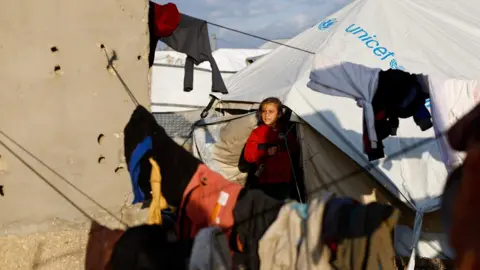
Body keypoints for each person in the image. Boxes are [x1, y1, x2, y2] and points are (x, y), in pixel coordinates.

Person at [243, 97, 301, 201]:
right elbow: (248, 156)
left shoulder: (284, 131)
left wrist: (281, 146)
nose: (266, 115)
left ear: (278, 114)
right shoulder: (257, 133)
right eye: (264, 111)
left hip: (284, 180)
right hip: (265, 180)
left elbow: (295, 148)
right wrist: (265, 151)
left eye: (271, 112)